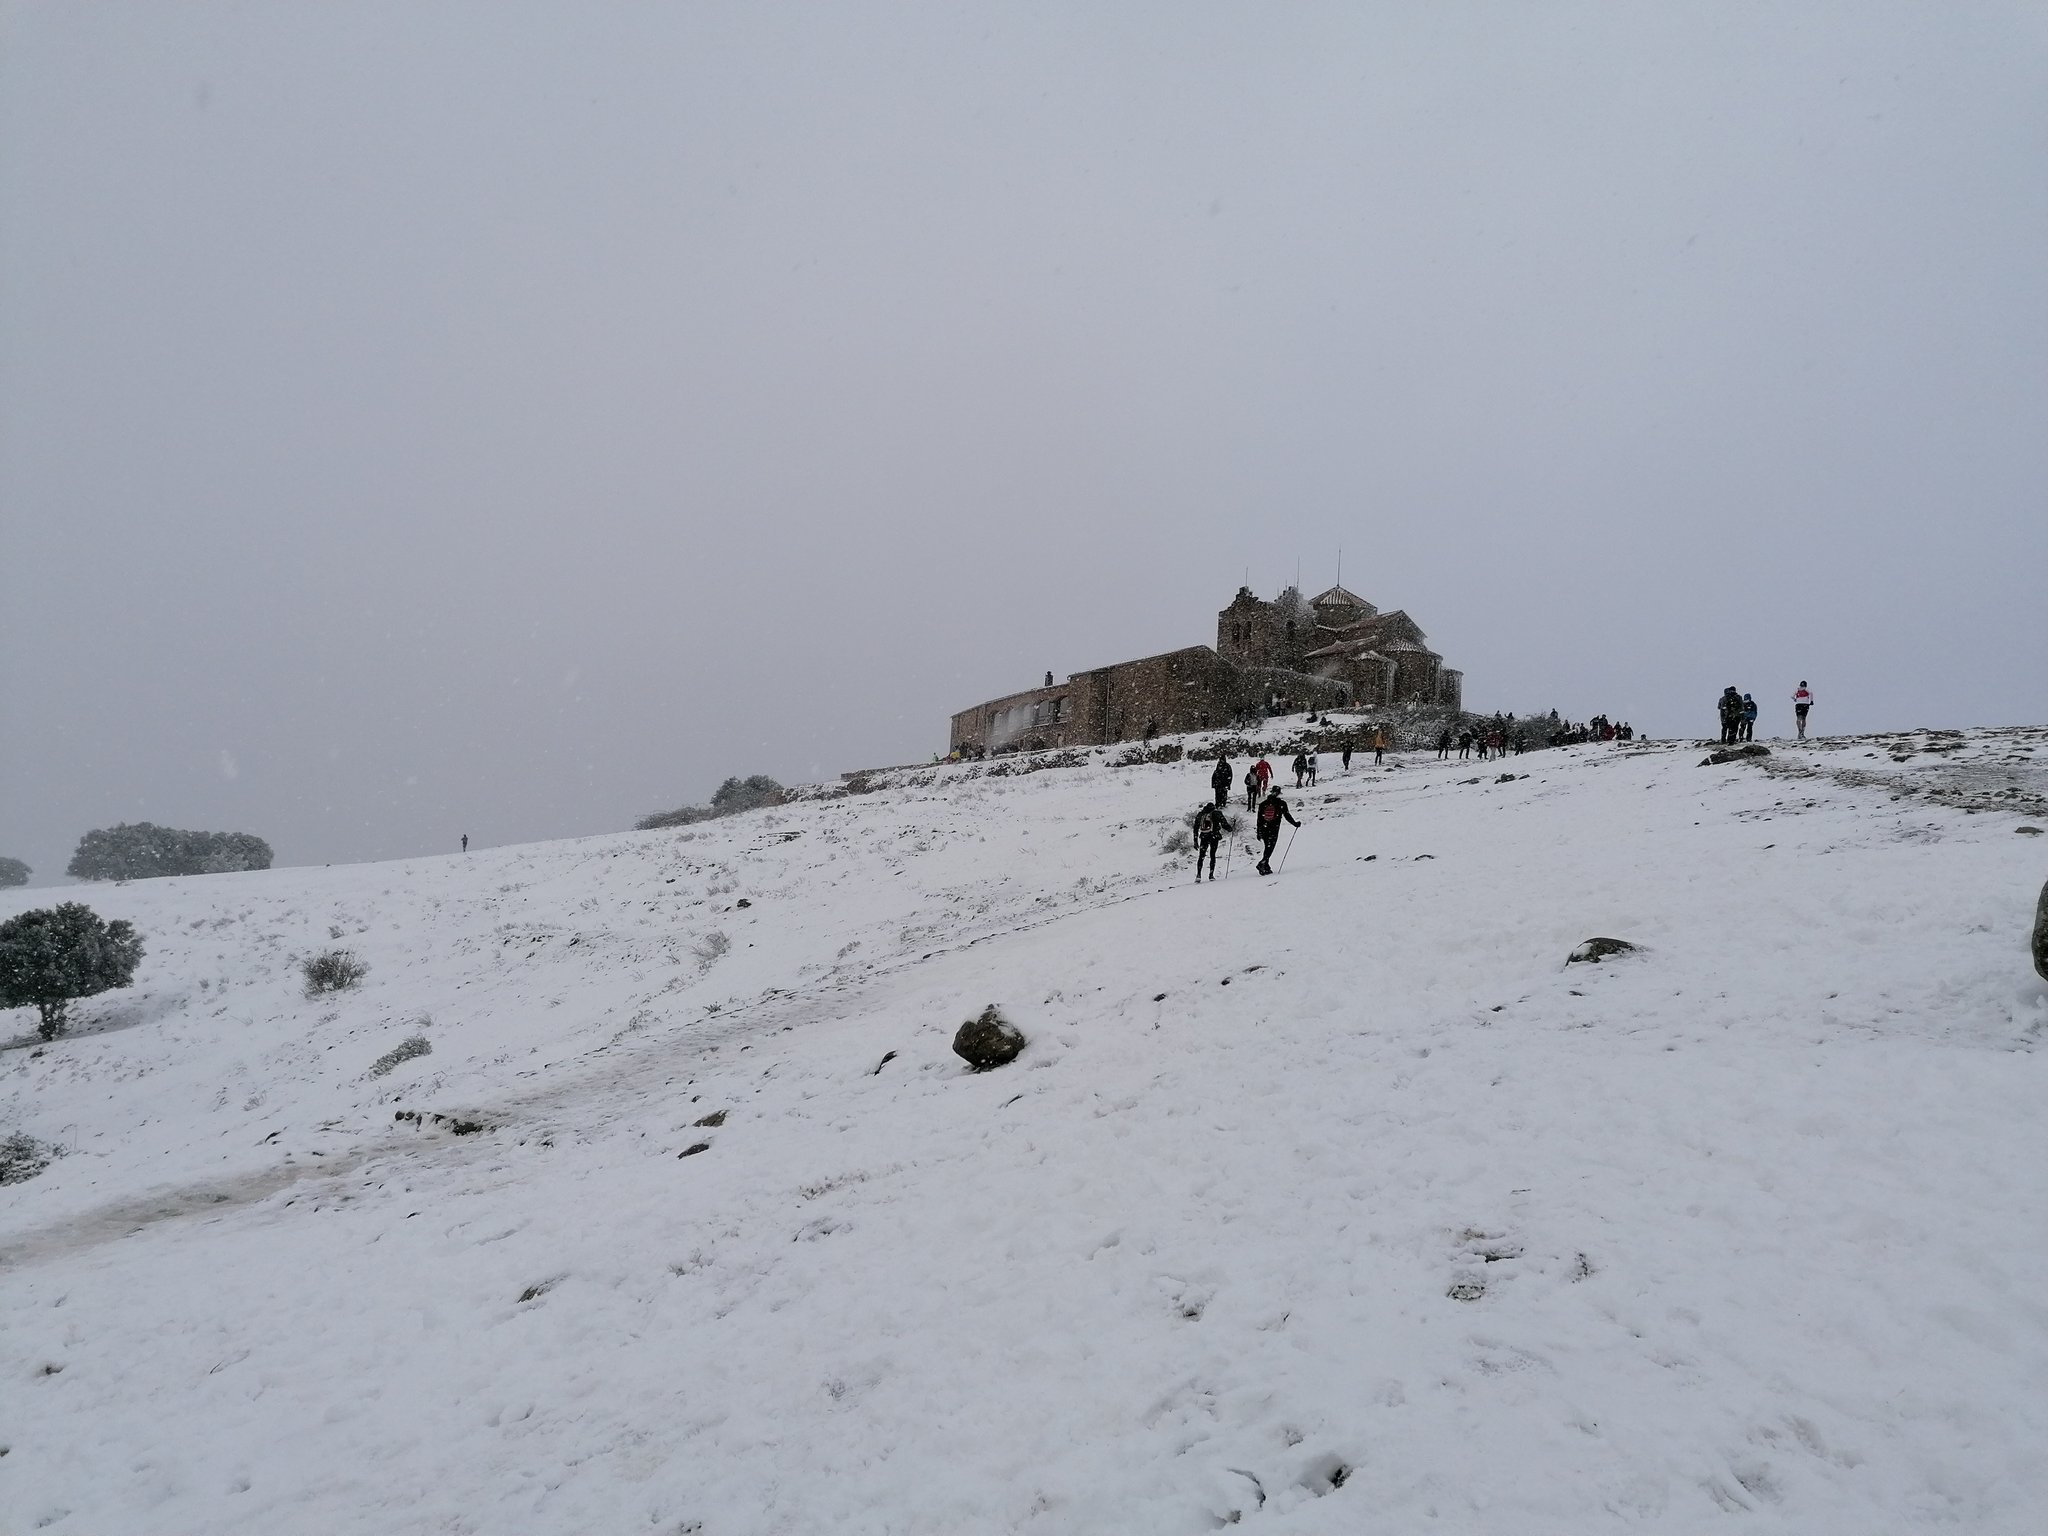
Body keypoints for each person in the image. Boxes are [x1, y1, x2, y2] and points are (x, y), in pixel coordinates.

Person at [1255, 787, 1300, 875]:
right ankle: (1262, 863)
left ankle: (1266, 866)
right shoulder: (1281, 803)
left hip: (1264, 828)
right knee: (1270, 847)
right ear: (1279, 793)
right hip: (1274, 828)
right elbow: (1287, 815)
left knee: (1267, 847)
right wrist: (1295, 823)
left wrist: (1258, 832)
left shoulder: (1263, 804)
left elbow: (1259, 819)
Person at [1192, 802, 1224, 881]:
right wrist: (1231, 828)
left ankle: (1198, 875)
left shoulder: (1201, 814)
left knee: (1201, 856)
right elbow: (1224, 823)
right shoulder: (1216, 813)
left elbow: (1196, 827)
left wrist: (1195, 840)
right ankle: (1211, 875)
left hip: (1204, 837)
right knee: (1212, 855)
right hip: (1214, 836)